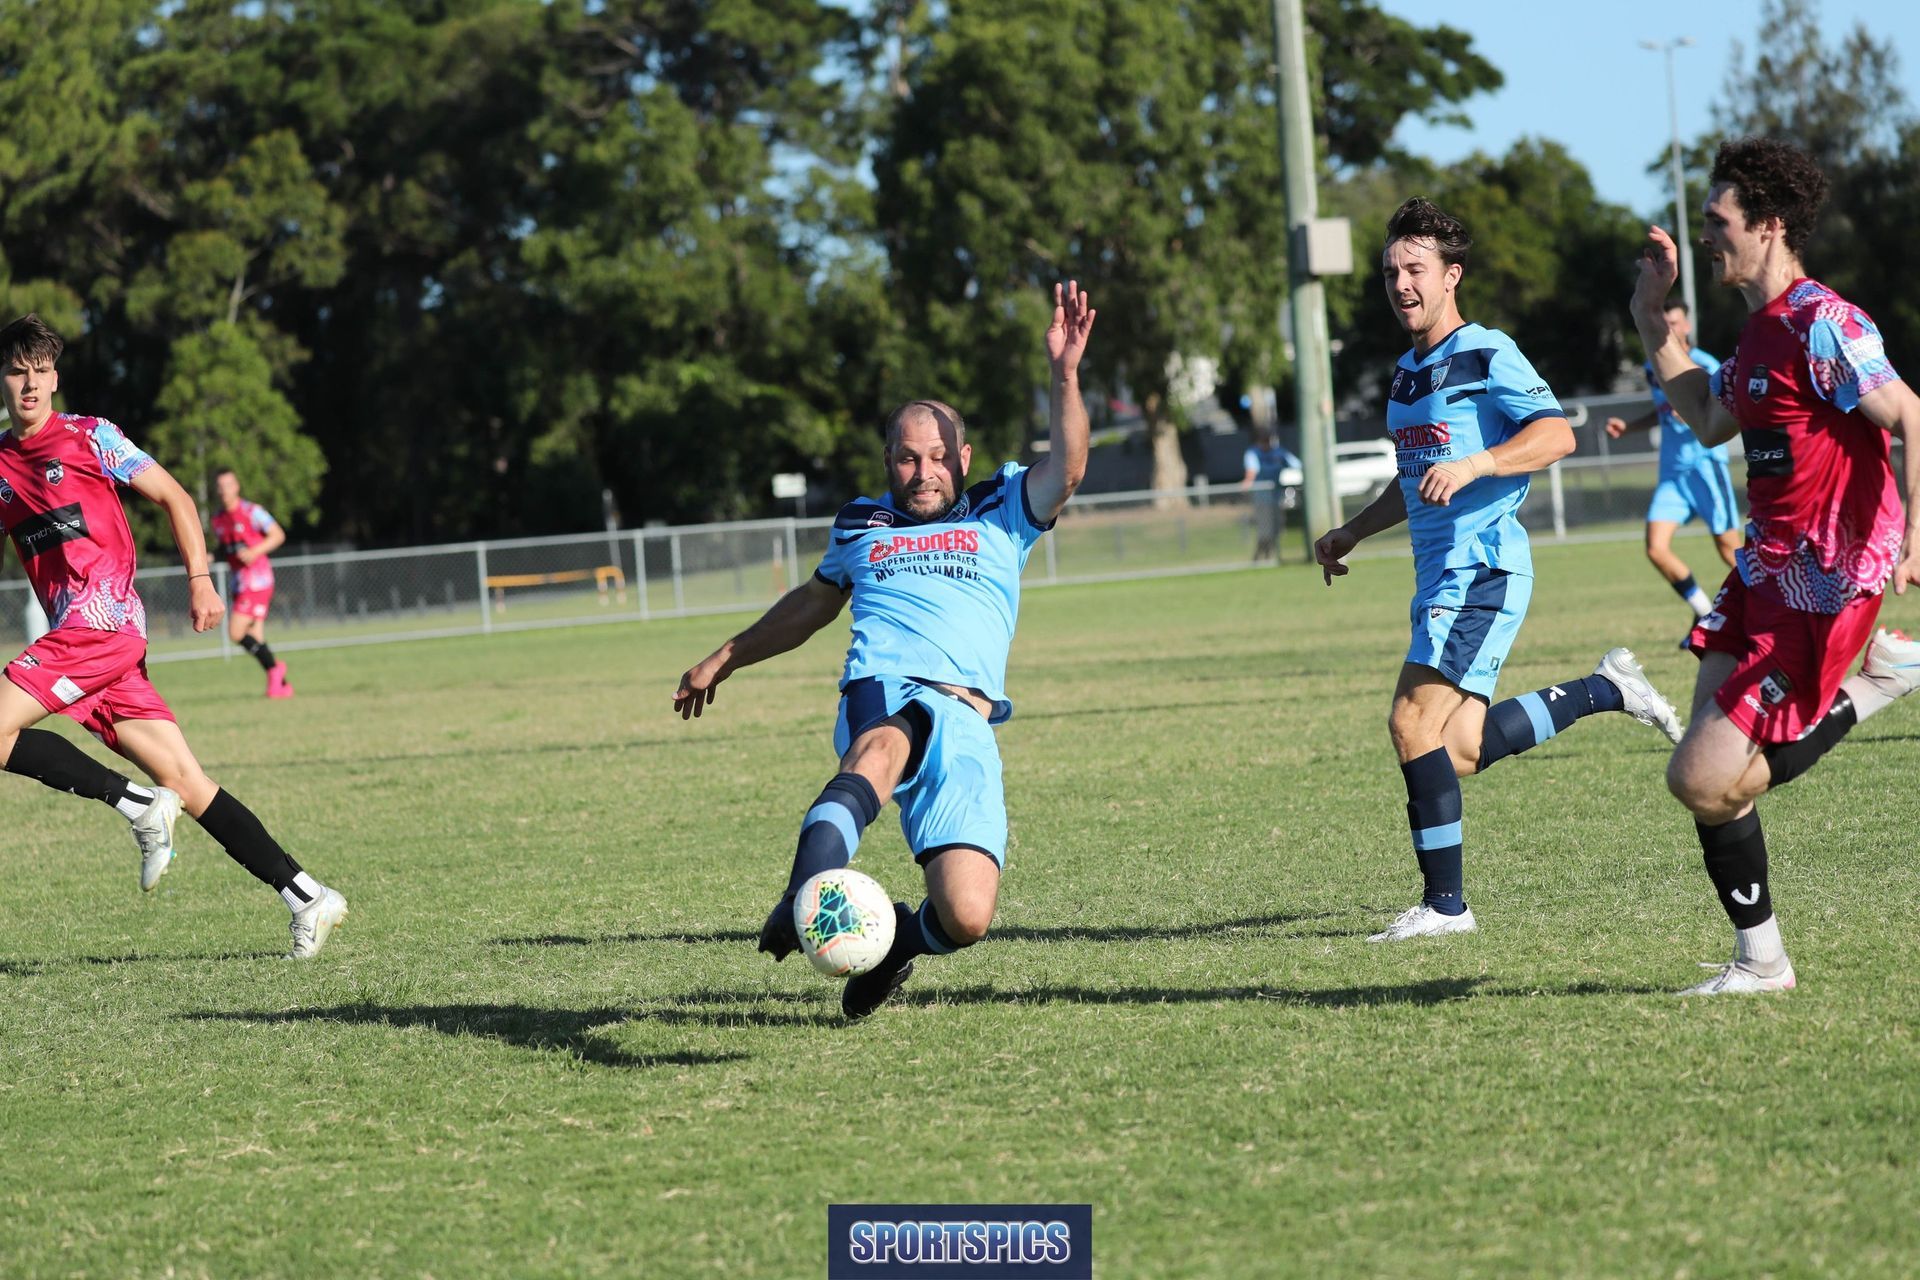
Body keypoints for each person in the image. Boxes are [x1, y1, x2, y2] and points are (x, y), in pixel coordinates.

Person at [673, 281, 1095, 1019]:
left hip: (968, 718)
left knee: (966, 916)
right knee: (877, 749)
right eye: (906, 459)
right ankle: (806, 890)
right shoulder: (860, 524)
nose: (922, 472)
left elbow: (1071, 467)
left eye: (935, 457)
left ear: (962, 457)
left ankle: (897, 941)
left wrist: (1064, 376)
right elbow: (812, 602)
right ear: (887, 463)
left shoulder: (1006, 508)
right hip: (887, 683)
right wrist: (727, 654)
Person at [1314, 198, 1686, 942]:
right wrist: (1354, 530)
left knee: (1409, 723)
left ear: (1451, 276)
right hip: (1441, 577)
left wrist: (1479, 461)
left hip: (1480, 570)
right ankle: (1605, 687)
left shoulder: (1488, 351)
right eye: (1391, 271)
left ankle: (1446, 908)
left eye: (1414, 269)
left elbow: (1555, 435)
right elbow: (1416, 476)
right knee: (1458, 749)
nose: (1400, 284)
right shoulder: (1405, 375)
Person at [1630, 137, 1920, 995]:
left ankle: (1875, 685)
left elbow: (1908, 414)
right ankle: (1762, 961)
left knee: (1701, 776)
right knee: (1712, 777)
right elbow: (1713, 420)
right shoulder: (1757, 330)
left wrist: (1915, 536)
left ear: (1769, 226)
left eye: (1719, 221)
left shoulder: (1823, 322)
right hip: (1764, 568)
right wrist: (1654, 323)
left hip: (1824, 581)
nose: (1708, 236)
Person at [0, 314, 346, 957]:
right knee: (188, 781)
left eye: (41, 371)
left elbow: (178, 499)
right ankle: (309, 896)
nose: (29, 384)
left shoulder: (92, 437)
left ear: (55, 378)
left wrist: (199, 579)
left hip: (102, 627)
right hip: (84, 647)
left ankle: (133, 803)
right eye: (18, 371)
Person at [1604, 302, 1743, 642]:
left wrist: (1699, 412)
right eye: (1663, 323)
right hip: (1673, 475)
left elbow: (1724, 410)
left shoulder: (1708, 365)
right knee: (1656, 548)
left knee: (1729, 550)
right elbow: (1664, 411)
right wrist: (1630, 428)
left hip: (1706, 469)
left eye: (1674, 322)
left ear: (1686, 326)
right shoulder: (1654, 367)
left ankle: (1768, 613)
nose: (1668, 328)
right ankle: (1704, 612)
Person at [210, 468, 292, 698]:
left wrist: (256, 551)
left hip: (257, 580)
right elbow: (227, 550)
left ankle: (275, 669)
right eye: (220, 486)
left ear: (237, 487)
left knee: (236, 632)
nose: (224, 490)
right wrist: (210, 557)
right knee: (255, 636)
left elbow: (278, 535)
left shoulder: (252, 511)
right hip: (239, 582)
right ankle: (281, 685)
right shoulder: (218, 519)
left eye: (229, 485)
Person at [1241, 429, 1299, 563]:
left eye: (1268, 439)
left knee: (1277, 528)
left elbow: (1296, 464)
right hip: (1262, 497)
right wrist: (1246, 484)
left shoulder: (1279, 452)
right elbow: (1251, 471)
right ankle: (1261, 557)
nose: (1266, 442)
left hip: (1277, 497)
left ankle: (1266, 556)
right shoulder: (1252, 453)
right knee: (1265, 530)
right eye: (1263, 439)